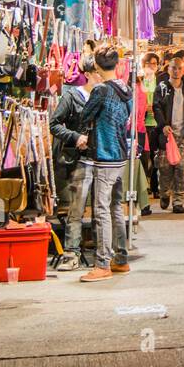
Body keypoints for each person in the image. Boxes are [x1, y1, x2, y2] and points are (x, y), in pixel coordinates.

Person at [72, 47, 135, 283]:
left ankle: (102, 263)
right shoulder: (125, 88)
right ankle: (120, 258)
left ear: (97, 67)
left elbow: (84, 116)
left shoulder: (100, 90)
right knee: (115, 207)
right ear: (117, 65)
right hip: (120, 152)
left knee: (101, 209)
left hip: (105, 154)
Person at [49, 56, 94, 271]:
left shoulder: (105, 95)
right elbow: (54, 124)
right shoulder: (73, 97)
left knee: (104, 209)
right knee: (77, 208)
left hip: (104, 159)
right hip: (81, 160)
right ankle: (72, 253)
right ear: (89, 73)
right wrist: (76, 137)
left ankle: (104, 253)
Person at [153, 50, 184, 213]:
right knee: (165, 170)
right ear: (169, 69)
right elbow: (157, 107)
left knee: (183, 170)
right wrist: (163, 125)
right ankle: (164, 193)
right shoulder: (161, 88)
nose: (177, 71)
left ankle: (179, 201)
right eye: (174, 68)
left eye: (180, 68)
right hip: (167, 137)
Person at [136, 52, 161, 210]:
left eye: (154, 63)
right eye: (148, 63)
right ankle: (147, 187)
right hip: (143, 124)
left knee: (155, 157)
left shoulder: (159, 82)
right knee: (146, 158)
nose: (151, 66)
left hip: (156, 122)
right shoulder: (139, 81)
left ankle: (154, 186)